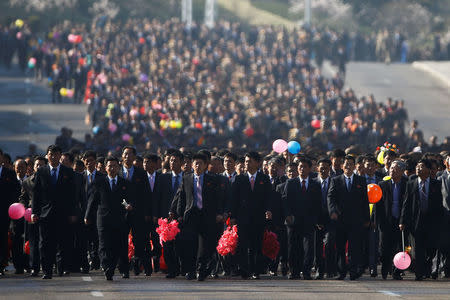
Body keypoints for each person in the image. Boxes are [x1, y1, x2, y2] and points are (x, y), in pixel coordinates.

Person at [170, 153, 224, 281]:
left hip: (207, 215)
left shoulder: (213, 179)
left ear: (205, 166)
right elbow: (181, 197)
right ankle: (191, 270)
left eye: (200, 163)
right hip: (191, 215)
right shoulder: (186, 178)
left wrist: (219, 213)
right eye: (196, 163)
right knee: (190, 244)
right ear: (192, 165)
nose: (198, 166)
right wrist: (179, 214)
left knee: (205, 245)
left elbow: (218, 199)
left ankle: (201, 268)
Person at [31, 145, 77, 279]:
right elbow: (36, 194)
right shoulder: (41, 171)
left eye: (56, 154)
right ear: (47, 156)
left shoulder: (68, 172)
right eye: (50, 154)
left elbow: (72, 195)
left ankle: (61, 268)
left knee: (63, 243)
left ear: (60, 156)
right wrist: (35, 212)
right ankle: (47, 270)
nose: (53, 157)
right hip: (46, 214)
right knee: (45, 244)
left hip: (63, 214)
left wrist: (73, 212)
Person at [85, 156, 133, 281]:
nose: (112, 168)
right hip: (103, 219)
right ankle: (107, 268)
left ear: (118, 167)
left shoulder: (125, 183)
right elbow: (92, 201)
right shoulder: (98, 182)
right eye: (109, 166)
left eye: (115, 166)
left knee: (120, 244)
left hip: (120, 219)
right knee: (104, 245)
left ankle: (123, 269)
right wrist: (87, 216)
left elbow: (130, 200)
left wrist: (130, 206)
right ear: (105, 168)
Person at [399, 159, 443, 281]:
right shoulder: (411, 183)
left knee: (431, 248)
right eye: (417, 167)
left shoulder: (436, 184)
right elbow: (406, 204)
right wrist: (402, 221)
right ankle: (419, 273)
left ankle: (427, 268)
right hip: (415, 221)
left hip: (431, 221)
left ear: (429, 170)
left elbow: (439, 204)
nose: (418, 169)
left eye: (422, 166)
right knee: (417, 248)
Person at [231, 151, 272, 279]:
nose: (247, 164)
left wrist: (269, 210)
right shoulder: (239, 178)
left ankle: (256, 270)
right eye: (246, 161)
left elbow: (269, 198)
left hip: (259, 217)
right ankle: (244, 270)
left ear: (257, 163)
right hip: (243, 217)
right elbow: (234, 198)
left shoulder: (264, 179)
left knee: (256, 244)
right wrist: (232, 216)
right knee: (242, 244)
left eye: (250, 161)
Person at [327, 155, 370, 280]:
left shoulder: (360, 180)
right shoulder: (336, 180)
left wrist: (367, 219)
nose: (348, 166)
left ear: (354, 166)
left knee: (354, 247)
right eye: (346, 164)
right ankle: (341, 272)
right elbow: (330, 197)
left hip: (356, 220)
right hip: (340, 220)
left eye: (351, 164)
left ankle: (353, 271)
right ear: (342, 166)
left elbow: (364, 201)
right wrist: (333, 211)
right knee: (340, 247)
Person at [283, 157, 321, 280]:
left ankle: (306, 271)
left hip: (309, 221)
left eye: (305, 167)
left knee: (308, 247)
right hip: (294, 220)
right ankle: (294, 271)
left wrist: (317, 219)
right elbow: (286, 201)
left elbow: (318, 203)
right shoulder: (291, 183)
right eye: (300, 167)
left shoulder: (315, 184)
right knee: (293, 247)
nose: (302, 169)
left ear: (310, 169)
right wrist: (288, 215)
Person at [119, 146, 151, 276]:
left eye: (130, 154)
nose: (127, 157)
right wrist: (125, 204)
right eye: (125, 154)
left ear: (134, 157)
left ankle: (138, 265)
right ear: (122, 156)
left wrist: (135, 206)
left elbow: (145, 194)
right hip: (121, 213)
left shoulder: (141, 173)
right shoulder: (117, 171)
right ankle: (124, 269)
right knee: (122, 242)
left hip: (137, 213)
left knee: (140, 242)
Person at [375, 160, 407, 280]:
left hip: (401, 221)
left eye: (396, 168)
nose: (392, 170)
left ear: (402, 171)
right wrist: (377, 221)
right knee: (384, 248)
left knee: (400, 247)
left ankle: (396, 271)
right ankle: (385, 269)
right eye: (391, 168)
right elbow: (378, 206)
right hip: (386, 221)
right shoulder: (383, 184)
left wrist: (404, 220)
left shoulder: (407, 184)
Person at [19, 156, 47, 277]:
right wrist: (24, 207)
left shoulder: (50, 180)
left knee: (46, 241)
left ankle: (48, 266)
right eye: (37, 165)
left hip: (46, 213)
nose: (39, 167)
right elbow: (23, 198)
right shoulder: (27, 181)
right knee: (33, 242)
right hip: (31, 215)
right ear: (33, 167)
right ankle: (34, 267)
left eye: (41, 165)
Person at [313, 158, 335, 279]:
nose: (323, 170)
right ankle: (319, 270)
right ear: (317, 168)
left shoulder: (334, 182)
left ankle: (330, 269)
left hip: (330, 219)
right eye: (321, 167)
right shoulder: (313, 182)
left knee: (329, 244)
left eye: (326, 168)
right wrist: (316, 220)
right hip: (316, 220)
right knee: (317, 247)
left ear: (329, 169)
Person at [82, 151, 104, 271]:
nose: (89, 163)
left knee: (96, 239)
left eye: (91, 160)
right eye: (87, 160)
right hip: (83, 212)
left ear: (95, 162)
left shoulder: (102, 177)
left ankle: (95, 260)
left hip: (97, 213)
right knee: (85, 239)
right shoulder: (80, 177)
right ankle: (87, 260)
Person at [10, 159, 28, 274]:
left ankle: (27, 263)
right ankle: (18, 266)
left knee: (27, 240)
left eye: (22, 167)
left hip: (27, 216)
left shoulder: (31, 181)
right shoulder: (11, 181)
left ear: (27, 168)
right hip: (14, 217)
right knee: (16, 241)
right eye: (18, 167)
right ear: (14, 168)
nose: (20, 169)